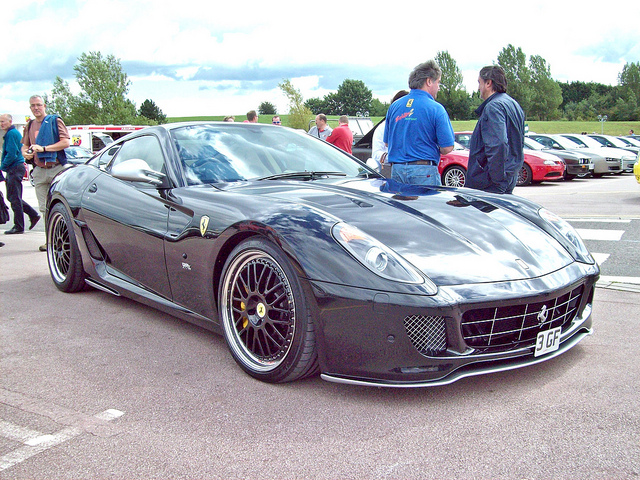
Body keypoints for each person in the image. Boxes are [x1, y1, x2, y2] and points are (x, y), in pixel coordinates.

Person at [384, 60, 454, 186]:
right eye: (438, 82)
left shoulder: (394, 107)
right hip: (424, 171)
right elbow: (447, 147)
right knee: (426, 205)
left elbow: (387, 142)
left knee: (399, 206)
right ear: (428, 81)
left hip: (397, 170)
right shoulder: (436, 109)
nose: (438, 87)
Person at [466, 65, 525, 194]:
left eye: (479, 83)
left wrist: (497, 179)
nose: (478, 88)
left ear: (488, 83)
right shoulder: (514, 104)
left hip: (491, 183)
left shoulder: (493, 107)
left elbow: (498, 144)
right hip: (509, 175)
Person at [22, 95, 70, 251]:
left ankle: (66, 239)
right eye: (32, 106)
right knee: (44, 209)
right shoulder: (29, 125)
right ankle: (50, 241)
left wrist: (44, 149)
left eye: (38, 105)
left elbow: (66, 142)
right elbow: (25, 146)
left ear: (44, 105)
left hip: (56, 168)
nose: (36, 108)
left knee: (63, 206)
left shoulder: (55, 121)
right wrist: (26, 153)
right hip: (39, 170)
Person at [1, 114, 40, 235]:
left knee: (14, 198)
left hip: (14, 168)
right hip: (14, 168)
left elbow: (12, 153)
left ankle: (19, 226)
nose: (1, 124)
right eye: (0, 122)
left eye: (3, 121)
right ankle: (33, 214)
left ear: (10, 121)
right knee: (12, 197)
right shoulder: (10, 134)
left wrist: (2, 167)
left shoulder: (12, 134)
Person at [371, 90, 409, 170]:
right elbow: (376, 154)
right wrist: (396, 157)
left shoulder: (412, 124)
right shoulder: (383, 127)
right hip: (393, 169)